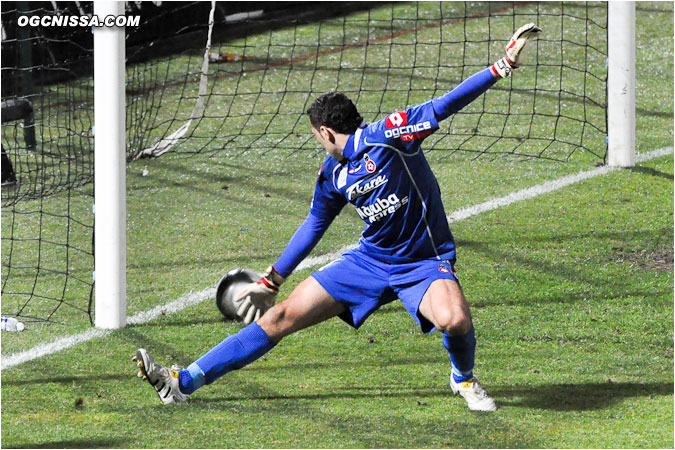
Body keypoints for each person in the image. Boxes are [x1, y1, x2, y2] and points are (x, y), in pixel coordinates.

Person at [134, 23, 541, 412]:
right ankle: (182, 382)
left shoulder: (391, 135)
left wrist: (502, 67)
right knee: (279, 317)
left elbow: (444, 105)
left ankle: (463, 378)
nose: (320, 145)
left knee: (453, 320)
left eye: (317, 139)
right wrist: (270, 281)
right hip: (370, 261)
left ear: (326, 133)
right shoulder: (333, 175)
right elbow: (314, 224)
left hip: (422, 262)